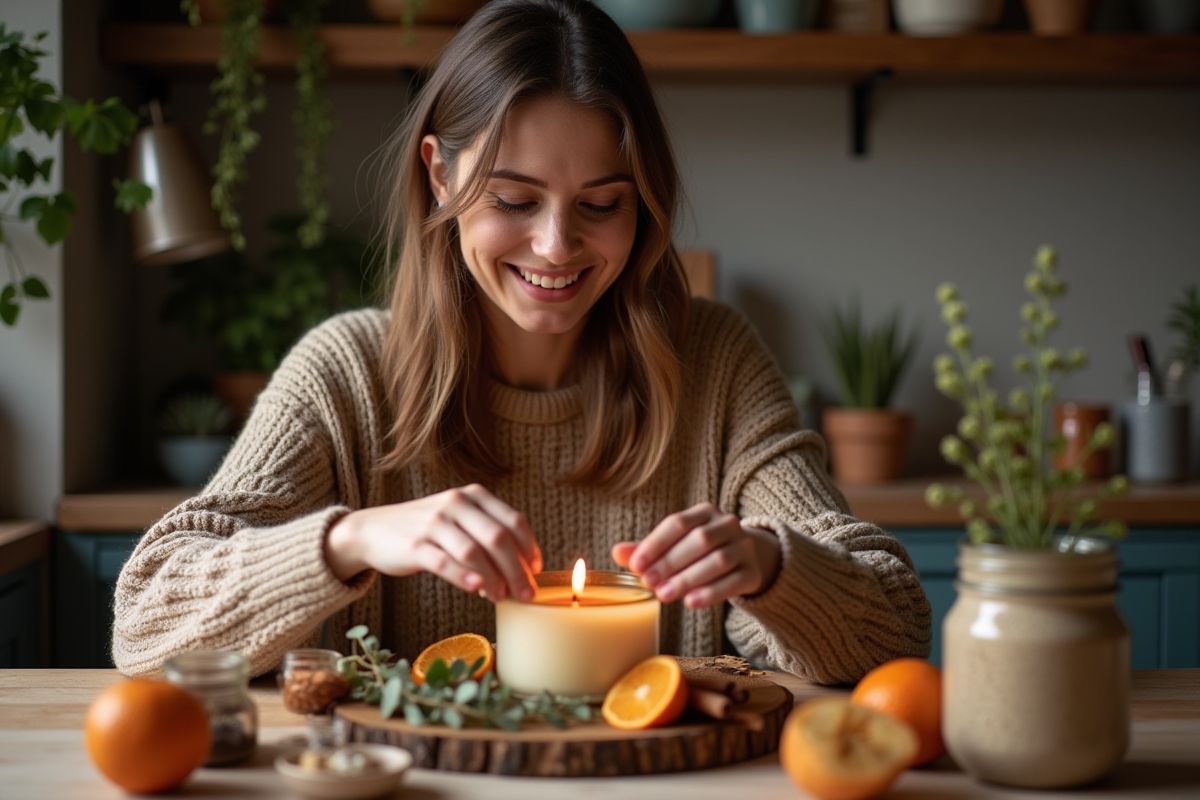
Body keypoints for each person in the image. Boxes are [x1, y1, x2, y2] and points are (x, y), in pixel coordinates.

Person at [113, 0, 930, 685]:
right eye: (513, 198)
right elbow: (148, 623)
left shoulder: (713, 360)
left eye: (602, 204)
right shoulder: (346, 373)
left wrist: (770, 567)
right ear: (441, 177)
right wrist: (351, 538)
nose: (555, 246)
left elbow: (893, 626)